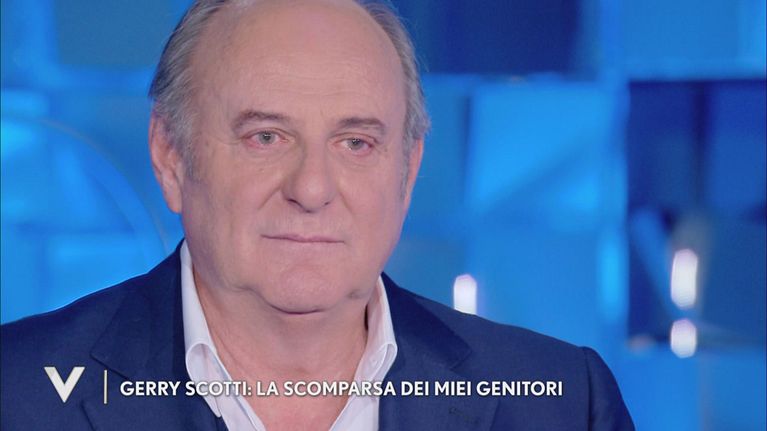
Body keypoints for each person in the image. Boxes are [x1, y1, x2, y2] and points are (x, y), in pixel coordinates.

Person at [1, 0, 634, 430]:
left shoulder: (559, 403)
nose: (311, 188)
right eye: (265, 137)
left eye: (355, 143)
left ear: (409, 169)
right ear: (171, 156)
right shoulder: (18, 393)